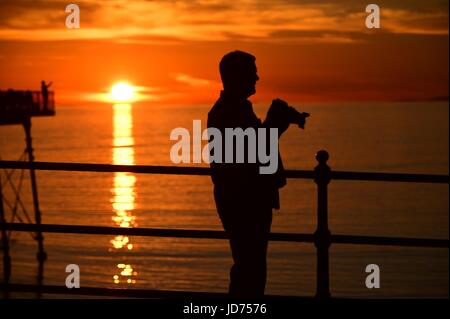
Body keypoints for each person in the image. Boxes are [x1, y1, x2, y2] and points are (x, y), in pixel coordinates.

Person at [207, 50, 308, 297]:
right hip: (244, 202)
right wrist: (273, 127)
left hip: (246, 200)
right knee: (250, 270)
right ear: (237, 76)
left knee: (251, 268)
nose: (257, 78)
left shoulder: (235, 109)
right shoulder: (228, 112)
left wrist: (272, 128)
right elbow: (248, 159)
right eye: (252, 73)